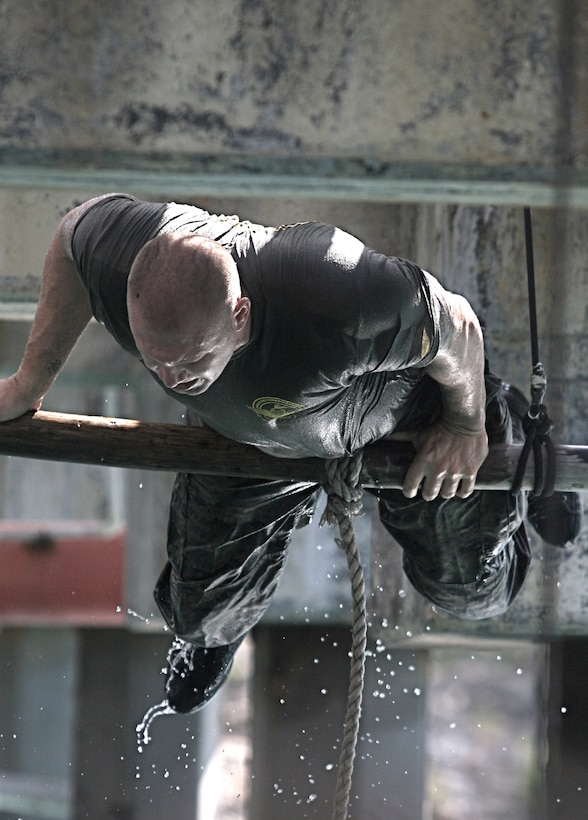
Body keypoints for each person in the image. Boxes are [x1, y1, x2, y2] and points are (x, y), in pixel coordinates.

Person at [0, 193, 580, 713]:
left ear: (240, 314)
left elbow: (457, 325)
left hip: (407, 424)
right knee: (200, 617)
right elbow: (72, 235)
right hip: (254, 436)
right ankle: (216, 635)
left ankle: (521, 439)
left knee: (471, 591)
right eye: (157, 362)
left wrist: (465, 422)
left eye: (192, 362)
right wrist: (28, 383)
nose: (174, 378)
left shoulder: (338, 293)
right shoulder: (121, 255)